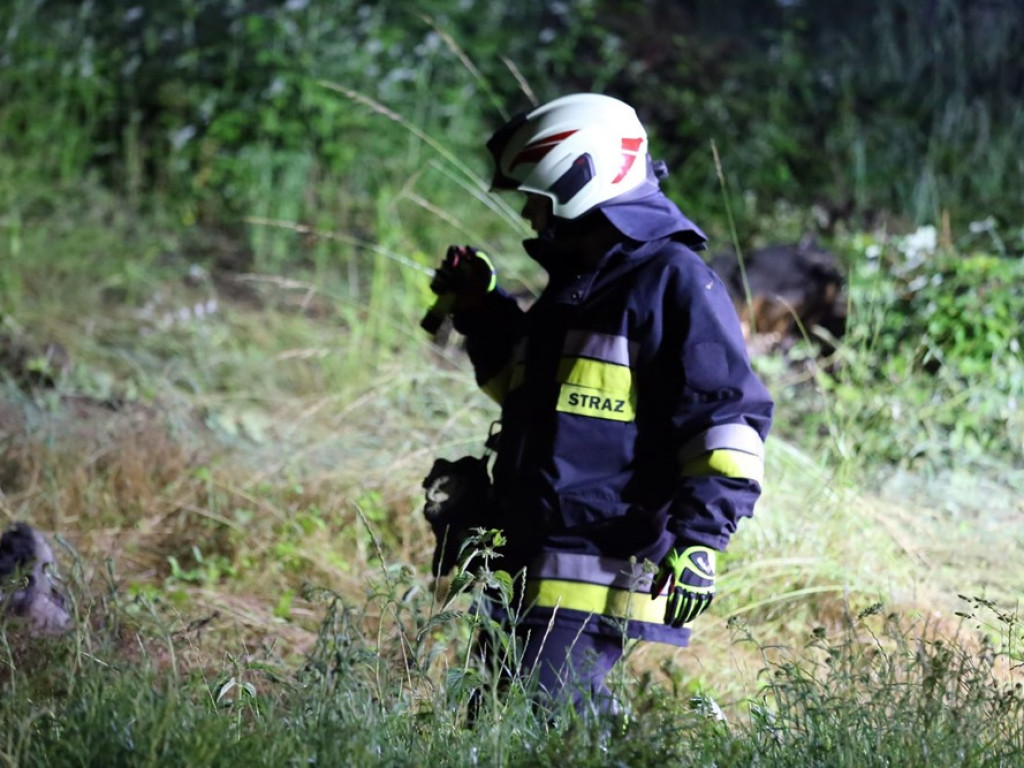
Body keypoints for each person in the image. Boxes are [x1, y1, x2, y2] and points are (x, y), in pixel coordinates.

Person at [425, 93, 774, 716]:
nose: (530, 212)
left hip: (600, 556)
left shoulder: (671, 279)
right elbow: (529, 397)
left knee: (546, 721)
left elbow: (726, 420)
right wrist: (485, 309)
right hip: (530, 547)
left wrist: (701, 539)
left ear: (582, 178)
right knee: (493, 722)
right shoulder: (584, 283)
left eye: (539, 195)